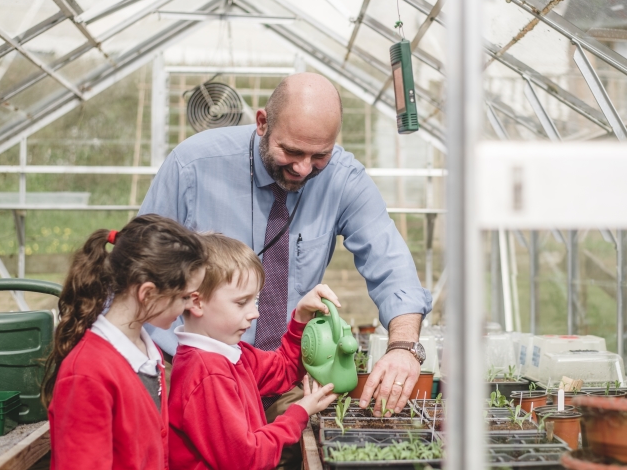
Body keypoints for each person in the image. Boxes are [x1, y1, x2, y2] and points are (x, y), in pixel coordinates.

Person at [140, 73, 432, 422]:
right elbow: (138, 269)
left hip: (279, 375)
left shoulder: (342, 178)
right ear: (262, 122)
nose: (303, 168)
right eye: (291, 151)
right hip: (188, 372)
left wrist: (403, 347)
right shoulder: (193, 166)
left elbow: (391, 264)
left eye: (319, 155)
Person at [43, 214, 207, 470]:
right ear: (148, 293)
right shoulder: (87, 374)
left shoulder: (146, 354)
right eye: (185, 296)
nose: (190, 307)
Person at [169, 233, 339, 470]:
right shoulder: (208, 375)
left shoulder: (233, 354)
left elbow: (285, 369)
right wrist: (298, 412)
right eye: (241, 302)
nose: (254, 313)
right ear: (197, 303)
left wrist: (301, 316)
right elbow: (246, 459)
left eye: (255, 302)